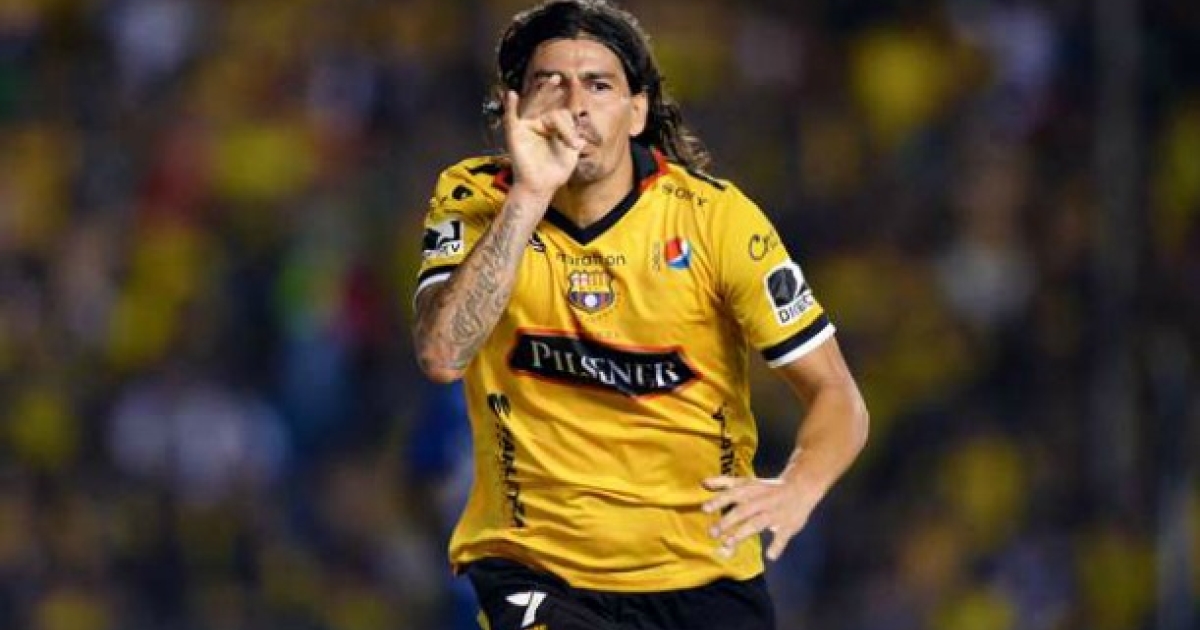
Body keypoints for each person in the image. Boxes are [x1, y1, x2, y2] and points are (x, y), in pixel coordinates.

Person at [412, 1, 869, 628]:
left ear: (637, 111)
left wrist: (799, 486)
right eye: (551, 83)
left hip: (703, 577)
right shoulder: (475, 195)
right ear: (514, 106)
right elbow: (443, 353)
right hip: (536, 569)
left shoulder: (715, 221)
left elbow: (838, 396)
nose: (576, 104)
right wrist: (529, 195)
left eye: (598, 85)